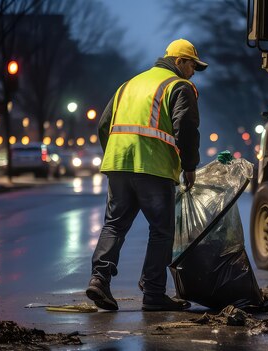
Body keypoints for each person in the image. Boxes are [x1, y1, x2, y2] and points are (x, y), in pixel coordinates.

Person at [86, 39, 207, 311]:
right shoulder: (179, 86)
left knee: (114, 224)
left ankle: (99, 280)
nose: (193, 72)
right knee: (162, 231)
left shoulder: (129, 84)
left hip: (118, 164)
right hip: (153, 167)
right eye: (192, 66)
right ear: (179, 62)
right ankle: (153, 292)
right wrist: (189, 166)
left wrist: (115, 154)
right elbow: (186, 127)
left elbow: (104, 124)